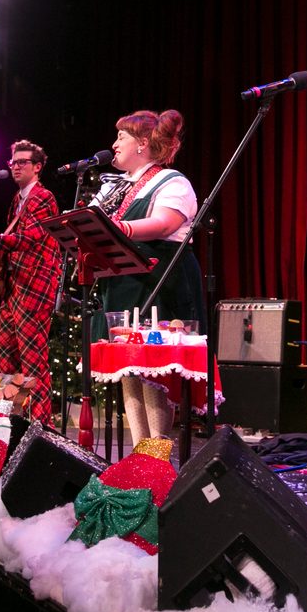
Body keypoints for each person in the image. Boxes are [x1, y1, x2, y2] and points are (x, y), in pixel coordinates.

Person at [88, 110, 203, 444]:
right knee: (130, 370)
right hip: (125, 283)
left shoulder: (172, 181)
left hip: (160, 281)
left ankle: (159, 455)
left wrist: (119, 227)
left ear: (141, 144)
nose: (114, 144)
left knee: (153, 371)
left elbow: (165, 223)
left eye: (121, 137)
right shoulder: (120, 187)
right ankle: (141, 454)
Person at [0, 140, 63, 423]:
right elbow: (11, 246)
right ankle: (9, 421)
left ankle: (41, 426)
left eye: (22, 162)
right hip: (14, 287)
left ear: (37, 167)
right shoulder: (17, 200)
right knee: (6, 357)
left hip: (34, 287)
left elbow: (32, 238)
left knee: (33, 361)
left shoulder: (43, 197)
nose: (15, 166)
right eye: (13, 162)